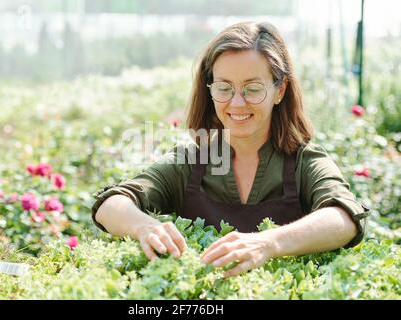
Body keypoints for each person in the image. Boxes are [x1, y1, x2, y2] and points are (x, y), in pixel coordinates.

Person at [92, 21, 370, 278]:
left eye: (252, 88)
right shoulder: (191, 160)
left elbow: (344, 216)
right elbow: (111, 204)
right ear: (210, 89)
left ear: (280, 90)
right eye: (224, 88)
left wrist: (268, 243)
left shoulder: (303, 161)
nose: (237, 103)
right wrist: (144, 227)